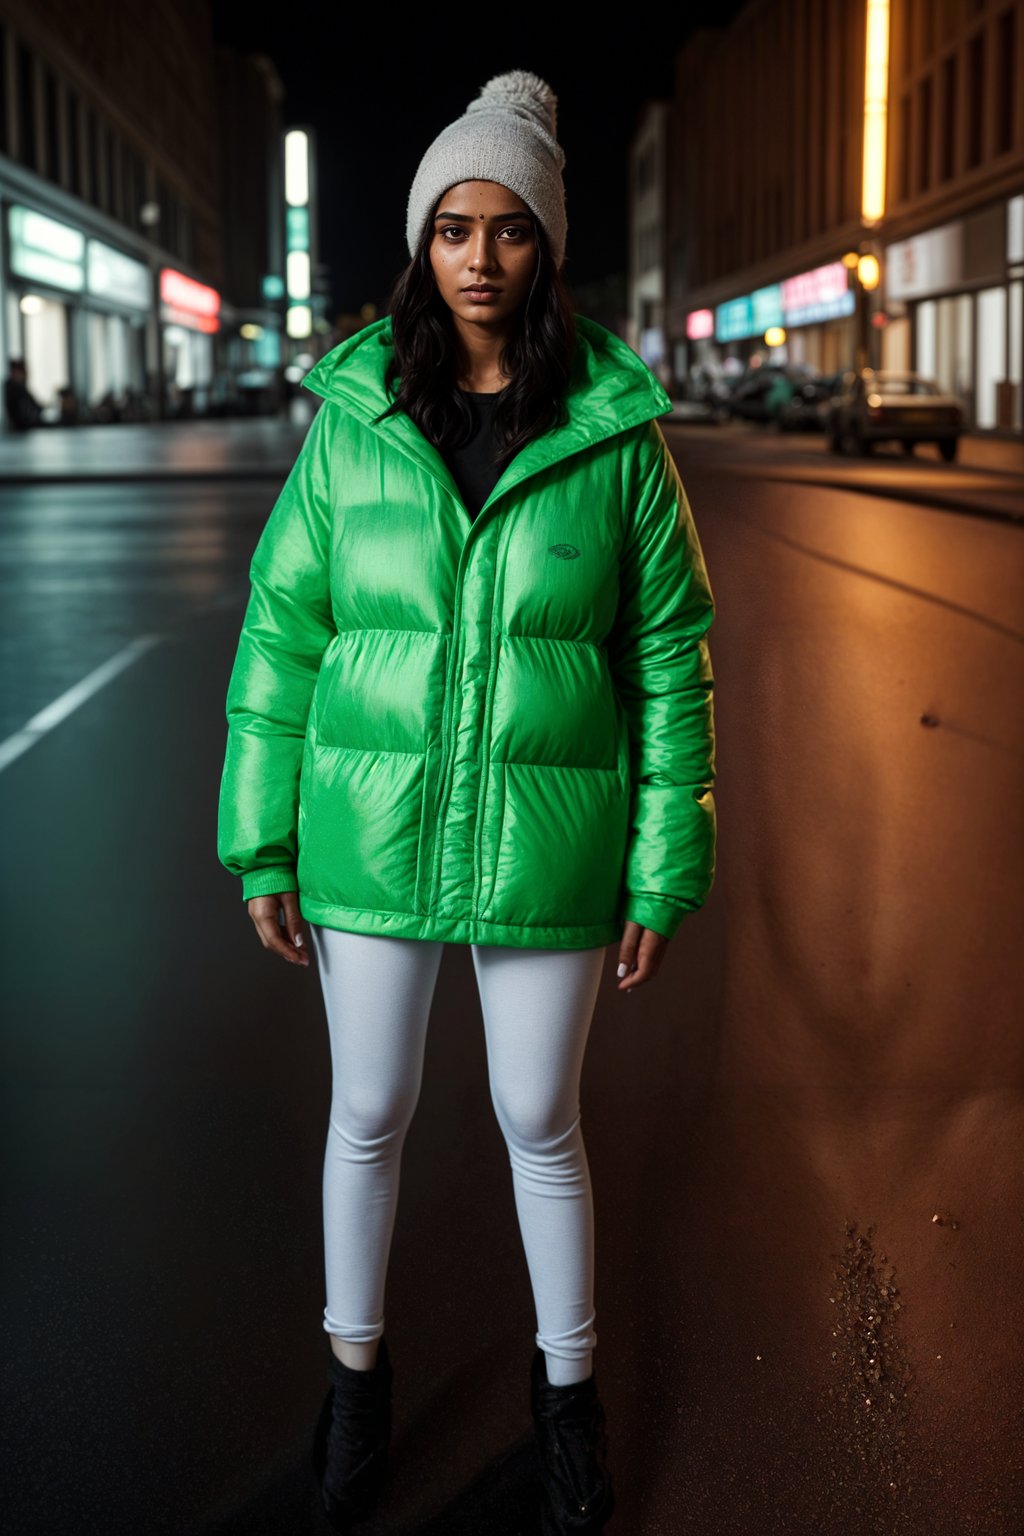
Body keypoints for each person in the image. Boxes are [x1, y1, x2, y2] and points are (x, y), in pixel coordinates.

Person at [216, 69, 716, 1535]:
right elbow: (281, 627)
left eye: (507, 229)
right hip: (366, 822)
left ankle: (570, 1406)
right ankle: (356, 1387)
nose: (481, 257)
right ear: (421, 244)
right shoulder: (357, 414)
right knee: (367, 1106)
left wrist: (660, 862)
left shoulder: (615, 433)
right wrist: (260, 833)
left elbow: (673, 658)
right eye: (454, 227)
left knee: (533, 1115)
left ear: (547, 244)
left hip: (551, 833)